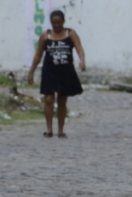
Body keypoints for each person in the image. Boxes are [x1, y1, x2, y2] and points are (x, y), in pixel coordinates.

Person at [27, 9, 85, 138]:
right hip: (50, 72)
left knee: (62, 101)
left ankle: (60, 129)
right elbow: (38, 56)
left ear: (63, 21)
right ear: (51, 23)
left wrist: (82, 60)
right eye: (54, 23)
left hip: (65, 72)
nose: (57, 25)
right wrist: (31, 72)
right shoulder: (45, 36)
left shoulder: (71, 34)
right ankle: (49, 129)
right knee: (48, 99)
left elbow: (79, 48)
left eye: (59, 22)